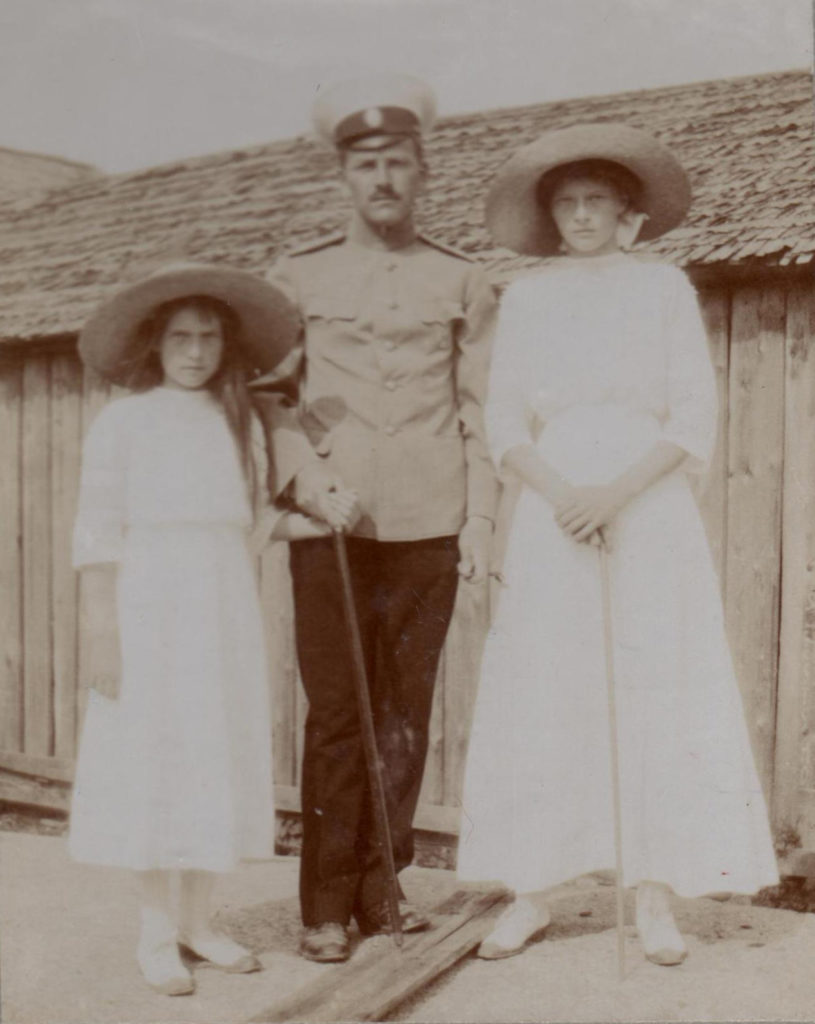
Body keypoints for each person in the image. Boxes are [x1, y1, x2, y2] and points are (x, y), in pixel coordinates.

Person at [456, 124, 779, 966]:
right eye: (565, 203)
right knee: (546, 685)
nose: (580, 215)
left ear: (627, 212)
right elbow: (502, 419)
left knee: (654, 684)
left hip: (646, 505)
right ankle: (531, 889)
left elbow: (690, 415)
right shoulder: (524, 298)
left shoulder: (663, 289)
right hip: (551, 507)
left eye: (595, 200)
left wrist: (615, 492)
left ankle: (653, 893)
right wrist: (563, 491)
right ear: (549, 217)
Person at [254, 74, 498, 963]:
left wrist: (479, 519)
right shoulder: (300, 275)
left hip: (430, 520)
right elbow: (274, 397)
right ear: (344, 178)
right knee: (336, 715)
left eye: (398, 163)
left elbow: (478, 409)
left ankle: (382, 888)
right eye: (367, 166)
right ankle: (324, 904)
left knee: (405, 715)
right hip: (332, 525)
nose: (383, 179)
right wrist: (307, 478)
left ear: (421, 173)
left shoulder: (461, 279)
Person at [69, 263, 356, 996]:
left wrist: (320, 515)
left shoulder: (239, 426)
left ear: (226, 348)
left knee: (207, 760)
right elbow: (97, 535)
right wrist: (103, 630)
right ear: (154, 346)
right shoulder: (124, 422)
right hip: (149, 607)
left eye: (207, 338)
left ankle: (199, 923)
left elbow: (253, 526)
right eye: (179, 338)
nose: (194, 352)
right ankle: (156, 933)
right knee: (154, 762)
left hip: (221, 608)